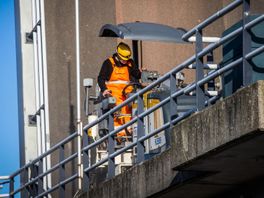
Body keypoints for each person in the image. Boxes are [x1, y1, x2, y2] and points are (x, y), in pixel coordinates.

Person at [97, 42, 141, 143]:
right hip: (113, 92)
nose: (125, 62)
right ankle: (118, 135)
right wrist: (104, 89)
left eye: (126, 60)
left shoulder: (130, 63)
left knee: (133, 105)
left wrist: (141, 72)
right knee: (117, 108)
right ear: (117, 54)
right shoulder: (108, 63)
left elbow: (137, 74)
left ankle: (131, 133)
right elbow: (101, 78)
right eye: (123, 60)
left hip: (127, 91)